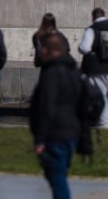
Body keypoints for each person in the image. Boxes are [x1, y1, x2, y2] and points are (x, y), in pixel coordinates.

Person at [30, 32, 82, 199]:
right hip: (72, 131)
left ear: (49, 51)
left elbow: (46, 106)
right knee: (58, 173)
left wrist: (40, 139)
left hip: (55, 133)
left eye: (42, 49)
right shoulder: (73, 70)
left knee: (57, 177)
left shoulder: (51, 73)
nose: (40, 52)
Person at [77, 7, 108, 129]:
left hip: (97, 69)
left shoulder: (92, 30)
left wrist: (83, 49)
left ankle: (103, 124)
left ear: (93, 17)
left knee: (101, 96)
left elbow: (84, 48)